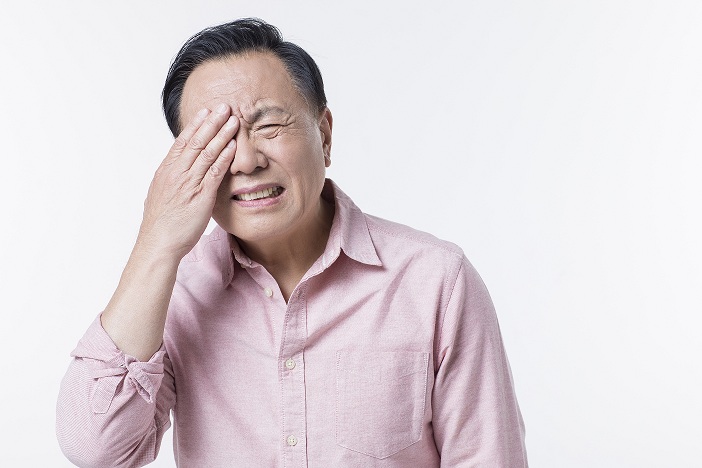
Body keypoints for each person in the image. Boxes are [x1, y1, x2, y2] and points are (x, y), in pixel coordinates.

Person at [56, 18, 528, 467]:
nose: (245, 161)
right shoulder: (174, 293)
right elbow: (95, 447)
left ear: (324, 135)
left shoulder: (435, 282)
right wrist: (156, 241)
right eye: (214, 139)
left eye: (268, 126)